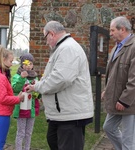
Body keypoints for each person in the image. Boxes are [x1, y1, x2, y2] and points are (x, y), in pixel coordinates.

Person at [25, 20, 94, 150]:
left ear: (52, 33)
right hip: (62, 114)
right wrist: (38, 85)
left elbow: (61, 79)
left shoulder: (67, 48)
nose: (46, 42)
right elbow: (55, 76)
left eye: (46, 37)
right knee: (53, 140)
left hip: (70, 115)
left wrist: (38, 87)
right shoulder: (63, 48)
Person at [101, 16, 135, 150]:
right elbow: (114, 74)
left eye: (112, 30)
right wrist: (107, 90)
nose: (110, 33)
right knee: (108, 127)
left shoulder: (133, 47)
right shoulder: (117, 47)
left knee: (128, 139)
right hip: (116, 100)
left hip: (129, 103)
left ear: (122, 29)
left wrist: (125, 100)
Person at [0, 45, 24, 150]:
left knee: (0, 140)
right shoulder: (0, 77)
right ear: (3, 59)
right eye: (11, 61)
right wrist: (18, 99)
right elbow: (3, 98)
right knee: (0, 141)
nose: (12, 64)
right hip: (1, 113)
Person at [12, 53, 39, 150]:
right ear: (21, 64)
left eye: (30, 63)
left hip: (31, 108)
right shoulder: (17, 76)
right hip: (21, 109)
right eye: (26, 63)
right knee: (21, 132)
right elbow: (15, 88)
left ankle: (27, 148)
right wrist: (21, 78)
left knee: (28, 132)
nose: (28, 66)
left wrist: (36, 92)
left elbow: (37, 94)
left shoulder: (35, 77)